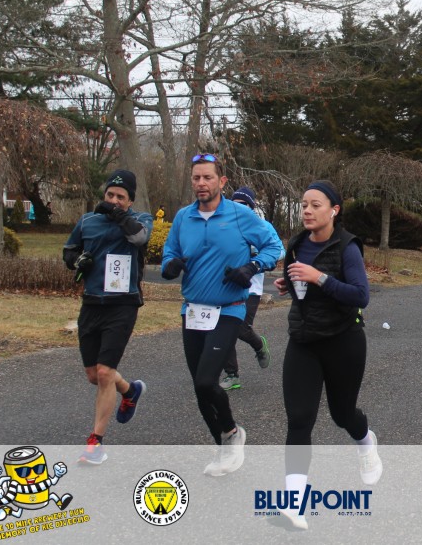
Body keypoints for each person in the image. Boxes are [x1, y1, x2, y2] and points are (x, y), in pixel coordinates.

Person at [161, 154, 283, 476]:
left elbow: (274, 246)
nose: (202, 183)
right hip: (193, 311)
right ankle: (223, 447)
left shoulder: (240, 215)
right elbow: (170, 253)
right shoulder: (183, 217)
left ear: (221, 181)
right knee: (200, 386)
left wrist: (252, 267)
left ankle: (231, 432)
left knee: (206, 380)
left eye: (208, 177)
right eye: (196, 178)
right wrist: (170, 265)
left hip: (229, 310)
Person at [273, 180, 381, 529]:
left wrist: (318, 277)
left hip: (343, 341)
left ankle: (366, 442)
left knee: (342, 414)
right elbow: (301, 286)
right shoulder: (297, 244)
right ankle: (294, 506)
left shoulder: (348, 247)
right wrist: (289, 285)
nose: (307, 210)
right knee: (299, 419)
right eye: (304, 204)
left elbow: (360, 296)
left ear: (334, 210)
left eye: (315, 205)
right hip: (303, 341)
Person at [62, 169, 153, 464]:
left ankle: (95, 443)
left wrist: (117, 214)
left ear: (130, 200)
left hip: (122, 305)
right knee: (94, 375)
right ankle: (129, 390)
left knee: (104, 372)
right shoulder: (88, 221)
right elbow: (68, 251)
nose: (114, 200)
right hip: (91, 304)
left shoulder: (140, 220)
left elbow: (139, 238)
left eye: (121, 197)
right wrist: (78, 260)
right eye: (110, 195)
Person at [219, 187, 272, 391]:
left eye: (243, 205)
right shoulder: (224, 226)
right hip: (229, 288)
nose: (238, 208)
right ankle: (232, 374)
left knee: (241, 329)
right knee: (225, 330)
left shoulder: (261, 227)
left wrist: (255, 260)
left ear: (250, 207)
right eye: (234, 204)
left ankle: (259, 345)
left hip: (252, 289)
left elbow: (277, 252)